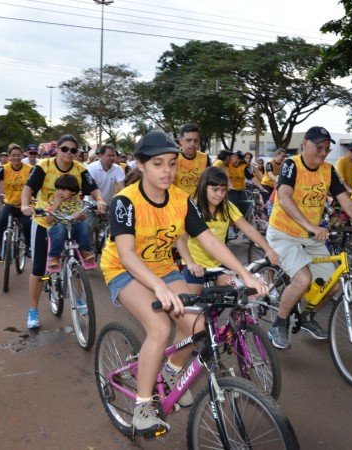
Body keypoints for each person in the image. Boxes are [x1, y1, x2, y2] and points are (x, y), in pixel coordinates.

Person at [100, 131, 267, 435]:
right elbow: (126, 254)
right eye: (158, 164)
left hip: (164, 268)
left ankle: (170, 370)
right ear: (141, 165)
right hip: (124, 271)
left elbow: (210, 242)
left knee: (198, 327)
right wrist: (159, 287)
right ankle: (143, 404)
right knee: (160, 328)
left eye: (172, 164)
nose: (167, 171)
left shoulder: (181, 200)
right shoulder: (125, 202)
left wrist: (244, 274)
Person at [266, 126, 352, 349]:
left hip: (311, 236)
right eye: (319, 148)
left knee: (334, 284)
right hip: (284, 234)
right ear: (305, 144)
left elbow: (345, 200)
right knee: (303, 280)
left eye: (326, 149)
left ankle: (306, 317)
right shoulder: (291, 165)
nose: (323, 153)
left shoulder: (328, 170)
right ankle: (279, 323)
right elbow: (284, 198)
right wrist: (310, 225)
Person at [20, 134, 106, 330]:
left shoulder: (80, 169)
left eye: (73, 150)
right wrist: (26, 205)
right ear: (57, 149)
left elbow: (94, 188)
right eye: (65, 149)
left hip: (70, 221)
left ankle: (80, 297)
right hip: (45, 221)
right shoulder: (44, 166)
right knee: (39, 268)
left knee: (76, 258)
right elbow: (28, 188)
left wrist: (100, 200)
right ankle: (33, 310)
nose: (69, 153)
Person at [178, 167, 280, 294]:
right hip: (196, 265)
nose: (220, 194)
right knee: (192, 304)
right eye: (215, 189)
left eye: (223, 190)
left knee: (235, 295)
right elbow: (181, 241)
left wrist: (268, 249)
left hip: (219, 263)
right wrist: (190, 263)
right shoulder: (193, 209)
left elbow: (248, 229)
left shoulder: (227, 207)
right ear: (203, 187)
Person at [0, 144, 33, 261]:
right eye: (13, 155)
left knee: (27, 224)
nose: (16, 158)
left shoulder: (30, 169)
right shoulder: (4, 168)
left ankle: (28, 247)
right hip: (9, 204)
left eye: (18, 155)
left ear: (22, 155)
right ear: (9, 156)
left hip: (25, 205)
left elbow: (36, 185)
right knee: (1, 223)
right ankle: (2, 250)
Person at [45, 174, 95, 267]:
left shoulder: (77, 202)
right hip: (57, 231)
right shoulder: (52, 202)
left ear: (73, 191)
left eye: (64, 190)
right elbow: (48, 221)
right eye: (58, 189)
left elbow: (83, 217)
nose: (60, 192)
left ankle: (85, 251)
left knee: (84, 225)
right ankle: (54, 257)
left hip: (73, 230)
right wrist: (55, 206)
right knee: (60, 227)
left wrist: (80, 215)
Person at [173, 124, 210, 197]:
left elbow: (208, 182)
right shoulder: (173, 157)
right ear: (181, 141)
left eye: (196, 141)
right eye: (188, 140)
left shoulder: (205, 158)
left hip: (198, 203)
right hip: (176, 202)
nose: (192, 144)